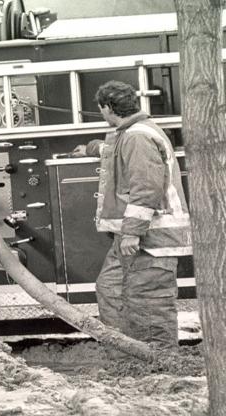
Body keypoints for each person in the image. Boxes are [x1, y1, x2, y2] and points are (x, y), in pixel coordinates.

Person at [70, 80, 192, 349]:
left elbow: (146, 188)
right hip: (133, 238)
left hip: (151, 240)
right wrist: (92, 148)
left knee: (149, 302)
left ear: (106, 108)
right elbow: (118, 154)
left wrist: (132, 233)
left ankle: (159, 363)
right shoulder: (134, 133)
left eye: (101, 110)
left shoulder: (137, 137)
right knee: (111, 289)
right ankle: (127, 354)